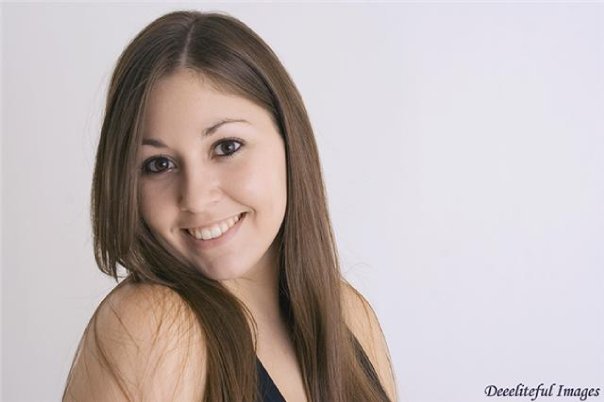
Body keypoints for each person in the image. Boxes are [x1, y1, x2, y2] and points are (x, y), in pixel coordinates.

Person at [63, 10, 397, 402]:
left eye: (226, 147)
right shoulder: (153, 326)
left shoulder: (348, 316)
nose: (196, 198)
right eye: (159, 165)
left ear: (289, 141)